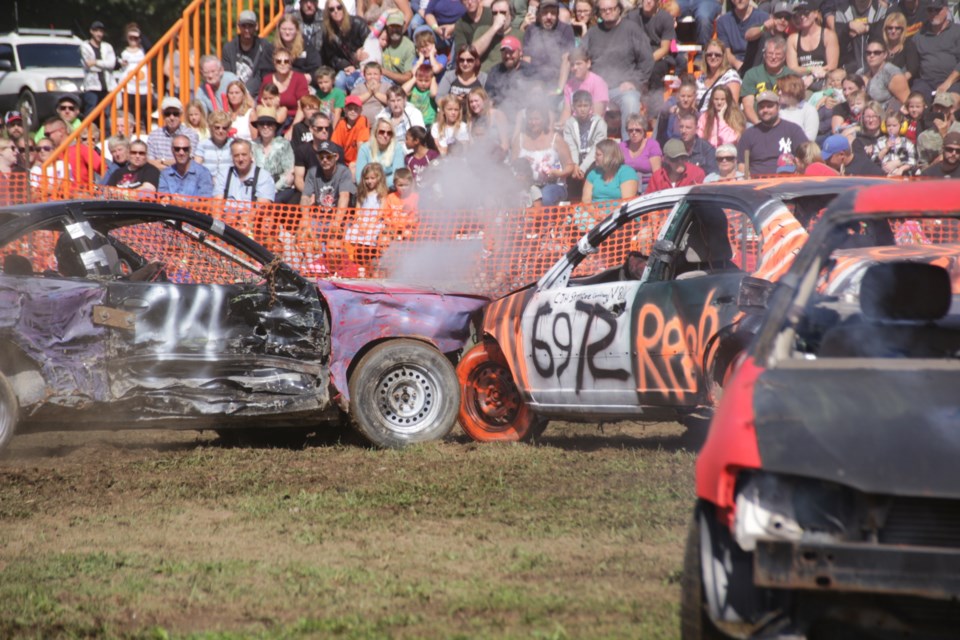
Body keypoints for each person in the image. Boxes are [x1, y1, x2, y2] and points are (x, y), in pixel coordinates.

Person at [581, 0, 653, 137]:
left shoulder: (632, 29)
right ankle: (588, 149)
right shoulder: (592, 33)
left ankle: (629, 148)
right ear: (598, 12)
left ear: (619, 9)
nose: (608, 12)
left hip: (622, 89)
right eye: (603, 10)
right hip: (595, 89)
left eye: (612, 8)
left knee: (630, 100)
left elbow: (647, 59)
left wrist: (635, 82)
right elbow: (579, 58)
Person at [512, 103, 575, 206]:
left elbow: (570, 166)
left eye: (537, 119)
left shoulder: (556, 139)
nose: (533, 122)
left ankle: (543, 222)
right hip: (527, 186)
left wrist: (558, 174)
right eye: (530, 119)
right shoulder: (519, 139)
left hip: (554, 185)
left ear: (544, 120)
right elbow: (513, 166)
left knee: (545, 197)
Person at [737, 90, 808, 176]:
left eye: (769, 106)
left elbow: (806, 158)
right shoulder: (748, 135)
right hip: (757, 184)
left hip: (787, 183)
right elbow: (742, 164)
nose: (765, 110)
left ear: (778, 107)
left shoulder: (793, 130)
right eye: (762, 107)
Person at [912, 0, 960, 101]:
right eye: (930, 10)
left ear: (946, 10)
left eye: (937, 10)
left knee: (949, 101)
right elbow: (910, 63)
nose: (933, 13)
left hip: (953, 83)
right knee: (915, 100)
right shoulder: (919, 36)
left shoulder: (957, 32)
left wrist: (947, 83)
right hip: (925, 83)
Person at [522, 0, 575, 90]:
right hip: (535, 82)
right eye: (545, 13)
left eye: (553, 13)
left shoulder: (566, 29)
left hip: (558, 81)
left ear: (557, 15)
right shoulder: (531, 30)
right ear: (538, 14)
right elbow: (526, 60)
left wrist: (559, 89)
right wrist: (530, 85)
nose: (549, 17)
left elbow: (566, 60)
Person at [786, 1, 840, 90]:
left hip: (825, 81)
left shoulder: (828, 35)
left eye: (806, 13)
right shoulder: (793, 39)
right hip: (802, 83)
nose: (802, 17)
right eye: (798, 14)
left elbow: (832, 66)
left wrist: (813, 76)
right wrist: (811, 69)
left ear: (815, 14)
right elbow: (792, 68)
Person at [344, 162, 389, 267]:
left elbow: (381, 211)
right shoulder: (362, 193)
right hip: (362, 222)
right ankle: (351, 261)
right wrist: (360, 224)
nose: (369, 181)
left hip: (375, 222)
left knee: (371, 236)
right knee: (351, 233)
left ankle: (369, 260)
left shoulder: (381, 193)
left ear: (379, 178)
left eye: (372, 178)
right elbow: (358, 210)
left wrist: (370, 224)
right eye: (367, 178)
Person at [320, 0, 370, 92]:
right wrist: (346, 66)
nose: (336, 11)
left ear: (343, 8)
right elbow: (332, 57)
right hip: (346, 67)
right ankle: (341, 105)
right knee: (339, 80)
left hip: (364, 64)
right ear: (328, 13)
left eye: (339, 7)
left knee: (356, 81)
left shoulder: (358, 23)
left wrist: (359, 59)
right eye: (331, 9)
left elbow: (371, 44)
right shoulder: (328, 31)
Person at [742, 37, 792, 125]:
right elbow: (748, 106)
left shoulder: (791, 76)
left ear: (784, 57)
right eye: (770, 53)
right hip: (755, 122)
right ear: (764, 55)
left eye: (778, 54)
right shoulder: (751, 74)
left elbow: (794, 106)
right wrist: (758, 124)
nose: (773, 57)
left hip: (783, 123)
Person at [222, 10, 274, 96]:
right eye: (243, 26)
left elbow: (266, 76)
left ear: (256, 26)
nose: (247, 30)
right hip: (235, 94)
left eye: (250, 26)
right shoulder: (229, 48)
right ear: (238, 26)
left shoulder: (265, 46)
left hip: (258, 95)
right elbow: (227, 76)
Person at [251, 106, 297, 203]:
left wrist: (272, 190)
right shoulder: (252, 145)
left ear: (275, 126)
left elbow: (289, 174)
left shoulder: (283, 144)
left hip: (279, 190)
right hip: (256, 190)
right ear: (257, 127)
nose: (265, 126)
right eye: (261, 124)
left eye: (269, 124)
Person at [563, 90, 607, 188]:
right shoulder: (569, 123)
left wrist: (582, 168)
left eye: (585, 105)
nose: (582, 109)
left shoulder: (599, 123)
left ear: (590, 106)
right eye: (579, 106)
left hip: (594, 158)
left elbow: (597, 147)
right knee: (570, 172)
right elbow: (571, 147)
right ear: (573, 107)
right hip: (576, 159)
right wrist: (575, 166)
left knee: (593, 171)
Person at [484, 36, 535, 119]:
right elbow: (488, 98)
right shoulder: (495, 71)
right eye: (504, 52)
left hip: (524, 116)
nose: (507, 55)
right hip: (500, 116)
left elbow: (536, 96)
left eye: (511, 52)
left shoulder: (530, 71)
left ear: (520, 52)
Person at [630, 0, 676, 91]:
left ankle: (656, 103)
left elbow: (665, 49)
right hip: (637, 56)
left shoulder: (666, 18)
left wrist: (646, 61)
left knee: (653, 70)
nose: (648, 1)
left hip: (658, 58)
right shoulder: (631, 17)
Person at [43, 115, 103, 184]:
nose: (46, 137)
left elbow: (105, 169)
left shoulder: (80, 149)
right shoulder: (49, 152)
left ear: (61, 131)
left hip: (79, 192)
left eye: (48, 134)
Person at [260, 48, 310, 129]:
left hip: (294, 122)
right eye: (279, 61)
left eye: (286, 61)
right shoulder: (267, 79)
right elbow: (260, 103)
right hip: (271, 120)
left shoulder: (299, 78)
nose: (282, 64)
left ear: (290, 63)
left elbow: (302, 107)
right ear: (274, 63)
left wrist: (292, 129)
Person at [454, 0, 509, 73]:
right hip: (474, 66)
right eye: (465, 0)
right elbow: (462, 55)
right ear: (461, 2)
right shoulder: (460, 24)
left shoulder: (492, 14)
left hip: (496, 60)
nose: (470, 2)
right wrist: (493, 28)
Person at [835, 0, 889, 74]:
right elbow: (835, 35)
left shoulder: (881, 9)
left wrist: (868, 28)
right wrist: (848, 26)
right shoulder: (841, 9)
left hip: (876, 65)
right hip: (849, 66)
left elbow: (885, 31)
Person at [146, 97, 200, 170]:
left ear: (181, 114)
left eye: (175, 113)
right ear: (162, 115)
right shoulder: (153, 136)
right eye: (167, 114)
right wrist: (174, 163)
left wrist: (162, 161)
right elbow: (150, 163)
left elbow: (188, 162)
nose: (172, 117)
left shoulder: (191, 135)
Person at [716, 0, 769, 74]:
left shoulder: (764, 18)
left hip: (758, 66)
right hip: (735, 68)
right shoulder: (722, 21)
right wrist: (737, 64)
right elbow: (726, 52)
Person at [216, 138, 276, 203]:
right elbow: (217, 205)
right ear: (231, 157)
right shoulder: (223, 175)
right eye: (236, 155)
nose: (240, 159)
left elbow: (262, 209)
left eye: (244, 154)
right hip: (227, 212)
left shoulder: (263, 177)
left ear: (251, 155)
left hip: (252, 212)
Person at [301, 140, 355, 209]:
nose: (325, 160)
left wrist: (337, 220)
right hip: (318, 216)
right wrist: (305, 218)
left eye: (328, 157)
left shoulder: (344, 172)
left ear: (336, 157)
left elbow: (344, 197)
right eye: (321, 157)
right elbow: (305, 197)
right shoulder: (312, 172)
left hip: (338, 216)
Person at [583, 139, 639, 204]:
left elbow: (626, 202)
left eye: (598, 155)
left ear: (609, 156)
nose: (595, 157)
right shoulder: (593, 173)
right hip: (594, 212)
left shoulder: (627, 173)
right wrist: (594, 213)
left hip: (618, 212)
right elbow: (586, 200)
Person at [858, 39, 910, 109]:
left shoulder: (893, 74)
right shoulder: (861, 72)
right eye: (868, 53)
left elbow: (907, 103)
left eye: (877, 53)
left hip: (886, 116)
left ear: (885, 55)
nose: (872, 55)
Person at [561, 48, 608, 123]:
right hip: (574, 127)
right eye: (572, 65)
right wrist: (560, 127)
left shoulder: (598, 83)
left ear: (588, 64)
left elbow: (597, 115)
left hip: (593, 128)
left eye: (578, 63)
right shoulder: (569, 85)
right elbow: (566, 112)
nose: (575, 68)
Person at [79, 20, 116, 117]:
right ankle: (88, 131)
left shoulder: (107, 46)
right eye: (96, 31)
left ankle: (105, 132)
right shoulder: (84, 46)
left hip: (107, 86)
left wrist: (95, 62)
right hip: (92, 86)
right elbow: (88, 65)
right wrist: (104, 64)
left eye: (101, 31)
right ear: (91, 31)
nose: (99, 34)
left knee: (106, 114)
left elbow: (111, 64)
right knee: (90, 111)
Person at [356, 117, 407, 186]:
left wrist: (377, 185)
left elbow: (397, 176)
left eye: (389, 133)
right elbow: (359, 178)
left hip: (390, 189)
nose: (385, 135)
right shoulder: (365, 149)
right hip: (368, 189)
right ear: (375, 132)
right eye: (381, 132)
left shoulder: (397, 148)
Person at [696, 39, 742, 111]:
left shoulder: (731, 76)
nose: (713, 57)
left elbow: (732, 107)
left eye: (717, 55)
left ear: (723, 57)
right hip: (700, 120)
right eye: (709, 54)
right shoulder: (701, 78)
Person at [620, 112, 661, 191]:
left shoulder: (652, 145)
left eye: (638, 130)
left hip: (647, 185)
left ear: (644, 130)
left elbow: (657, 173)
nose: (634, 133)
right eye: (630, 130)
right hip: (626, 185)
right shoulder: (621, 146)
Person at [465, 86, 510, 158]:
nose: (473, 104)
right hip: (478, 158)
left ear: (484, 100)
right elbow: (471, 144)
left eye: (476, 101)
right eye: (471, 102)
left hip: (498, 157)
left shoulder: (497, 115)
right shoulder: (471, 120)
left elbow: (505, 144)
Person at [275, 14, 323, 79]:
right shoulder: (273, 48)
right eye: (284, 29)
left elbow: (316, 67)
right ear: (279, 30)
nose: (287, 32)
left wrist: (310, 76)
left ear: (297, 30)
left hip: (302, 79)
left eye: (291, 29)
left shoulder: (306, 45)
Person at [119, 23, 150, 120]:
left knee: (141, 112)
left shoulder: (143, 50)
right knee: (128, 112)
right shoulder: (122, 51)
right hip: (127, 87)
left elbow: (149, 46)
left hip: (142, 88)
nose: (133, 40)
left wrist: (139, 33)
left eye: (135, 38)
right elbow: (116, 64)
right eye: (130, 38)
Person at [872, 109, 917, 175]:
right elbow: (874, 160)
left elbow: (912, 161)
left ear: (901, 126)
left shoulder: (907, 143)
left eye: (894, 125)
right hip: (883, 175)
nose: (891, 128)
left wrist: (901, 168)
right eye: (888, 125)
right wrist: (886, 148)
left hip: (901, 176)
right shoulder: (880, 141)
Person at [332, 95, 371, 170]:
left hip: (359, 161)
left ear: (361, 110)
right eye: (350, 109)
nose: (353, 111)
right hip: (344, 162)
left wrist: (359, 163)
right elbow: (336, 146)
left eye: (356, 109)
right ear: (345, 110)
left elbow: (361, 144)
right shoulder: (341, 123)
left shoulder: (363, 120)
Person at [777, 73, 820, 141]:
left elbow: (810, 139)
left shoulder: (809, 110)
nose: (779, 93)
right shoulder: (778, 109)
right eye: (778, 89)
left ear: (793, 89)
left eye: (782, 90)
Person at [675, 111, 718, 176]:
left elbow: (712, 176)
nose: (683, 131)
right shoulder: (674, 147)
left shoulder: (707, 149)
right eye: (681, 127)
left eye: (688, 127)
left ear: (696, 129)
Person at [197, 111, 235, 182]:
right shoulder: (203, 144)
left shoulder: (233, 144)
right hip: (207, 183)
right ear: (211, 128)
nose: (221, 131)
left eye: (224, 128)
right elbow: (197, 167)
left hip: (229, 183)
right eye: (217, 127)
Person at [820, 132, 885, 174]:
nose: (826, 161)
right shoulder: (835, 168)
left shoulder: (867, 169)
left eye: (828, 158)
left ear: (841, 154)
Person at [882, 12, 919, 82]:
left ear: (903, 30)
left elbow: (912, 71)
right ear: (885, 29)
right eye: (890, 28)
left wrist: (896, 83)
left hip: (903, 84)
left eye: (897, 28)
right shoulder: (881, 46)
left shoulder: (909, 45)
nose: (893, 31)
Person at [381, 12, 416, 85]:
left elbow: (407, 77)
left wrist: (384, 71)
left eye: (398, 26)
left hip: (396, 85)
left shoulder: (408, 47)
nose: (394, 29)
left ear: (403, 26)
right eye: (392, 26)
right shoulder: (382, 39)